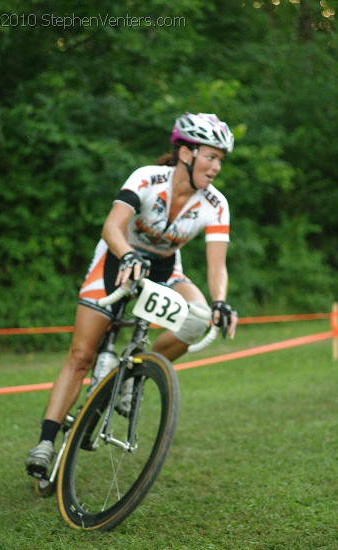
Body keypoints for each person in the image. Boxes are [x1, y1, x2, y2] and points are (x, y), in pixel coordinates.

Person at [25, 112, 238, 477]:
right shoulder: (147, 178)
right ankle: (46, 441)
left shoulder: (215, 204)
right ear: (186, 153)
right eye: (210, 156)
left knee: (199, 316)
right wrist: (127, 254)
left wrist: (219, 300)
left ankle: (136, 370)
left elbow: (217, 265)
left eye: (220, 159)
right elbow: (112, 227)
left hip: (164, 269)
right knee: (81, 355)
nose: (216, 166)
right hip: (117, 260)